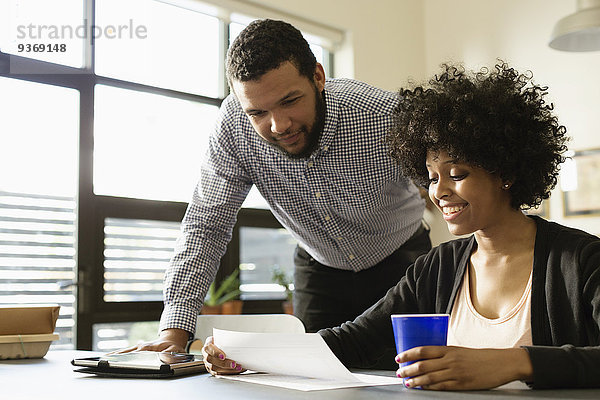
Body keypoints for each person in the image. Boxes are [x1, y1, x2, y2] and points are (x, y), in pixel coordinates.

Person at [201, 61, 600, 390]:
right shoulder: (437, 268)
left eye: (457, 174)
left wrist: (517, 363)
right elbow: (353, 340)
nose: (438, 191)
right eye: (430, 175)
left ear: (505, 172)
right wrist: (244, 355)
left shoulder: (581, 260)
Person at [121, 19, 430, 354]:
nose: (279, 125)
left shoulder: (384, 115)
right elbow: (206, 225)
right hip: (320, 267)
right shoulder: (233, 129)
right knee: (315, 375)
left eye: (290, 100)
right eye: (258, 112)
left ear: (318, 76)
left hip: (404, 261)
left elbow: (453, 190)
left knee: (416, 373)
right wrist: (173, 332)